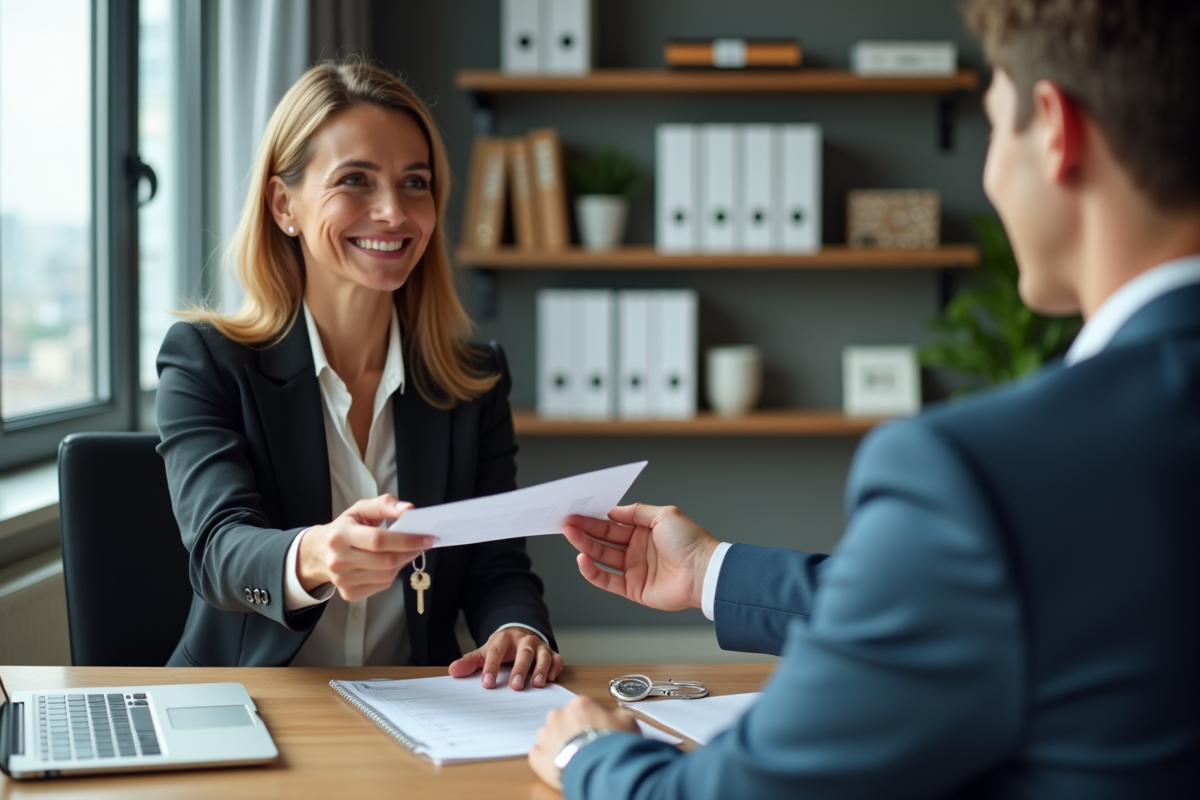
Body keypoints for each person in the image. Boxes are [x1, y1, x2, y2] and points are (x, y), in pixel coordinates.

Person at [530, 0, 1200, 796]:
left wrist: (592, 755)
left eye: (994, 127)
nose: (989, 175)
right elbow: (973, 609)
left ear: (1056, 130)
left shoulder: (986, 474)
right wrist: (713, 570)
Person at [156, 62, 562, 691]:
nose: (393, 212)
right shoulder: (206, 359)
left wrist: (517, 630)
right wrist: (314, 555)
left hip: (416, 710)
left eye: (415, 183)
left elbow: (495, 565)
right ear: (283, 204)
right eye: (355, 180)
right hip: (247, 700)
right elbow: (218, 550)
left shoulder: (474, 380)